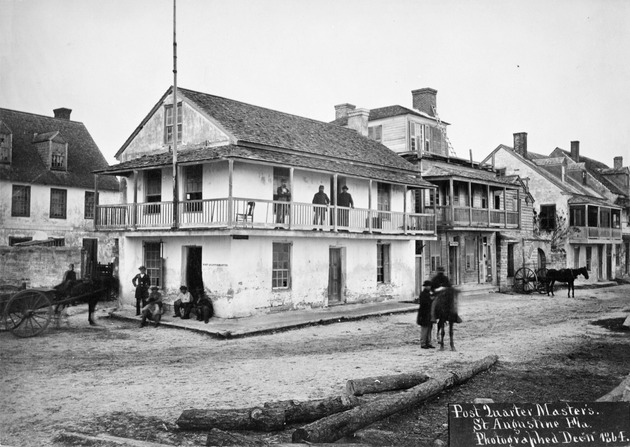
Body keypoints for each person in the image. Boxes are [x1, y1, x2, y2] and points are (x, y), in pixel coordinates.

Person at [417, 280, 435, 349]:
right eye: (428, 286)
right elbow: (425, 304)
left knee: (430, 328)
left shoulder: (429, 293)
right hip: (424, 313)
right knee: (424, 328)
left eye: (430, 286)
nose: (429, 287)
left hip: (429, 313)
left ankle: (429, 342)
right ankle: (423, 343)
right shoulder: (423, 294)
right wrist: (431, 300)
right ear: (426, 286)